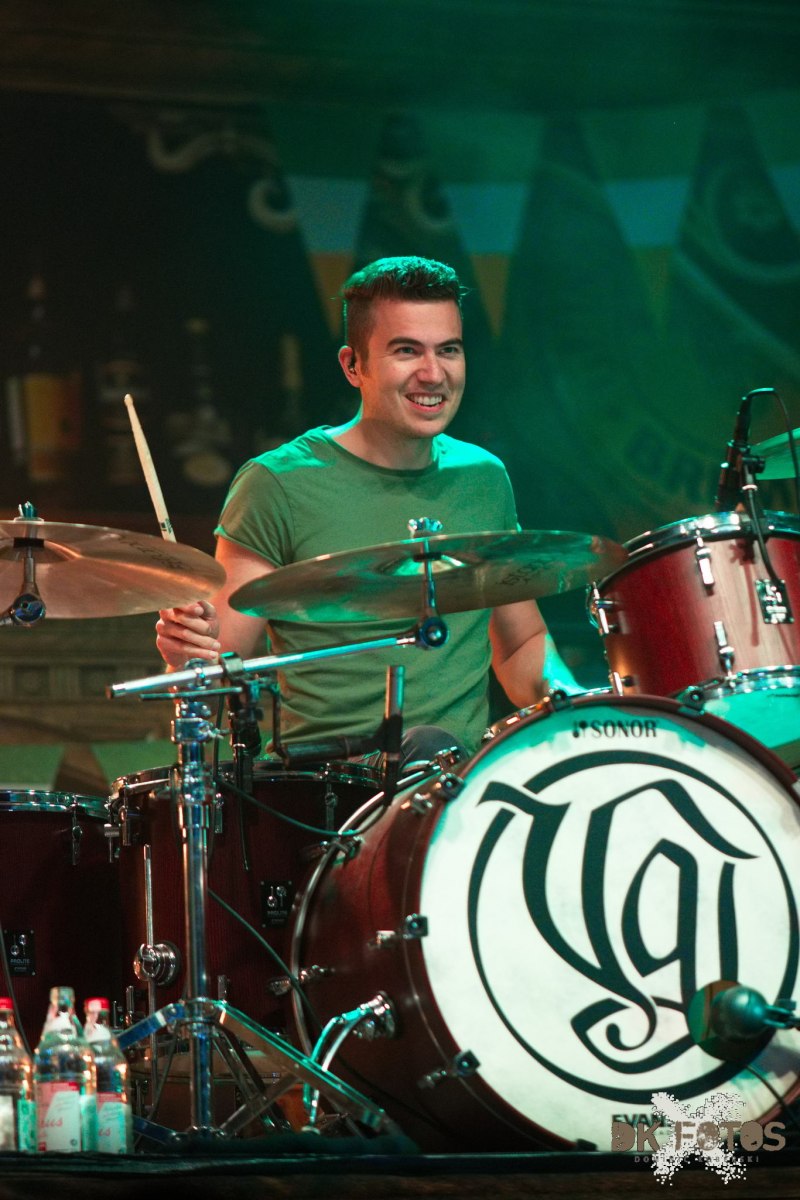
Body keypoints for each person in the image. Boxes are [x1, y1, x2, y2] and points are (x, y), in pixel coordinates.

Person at [156, 256, 579, 763]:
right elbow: (217, 678)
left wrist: (578, 705)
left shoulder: (484, 478)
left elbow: (520, 645)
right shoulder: (277, 483)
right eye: (407, 351)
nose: (433, 374)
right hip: (324, 791)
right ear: (352, 366)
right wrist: (186, 659)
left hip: (456, 788)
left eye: (448, 349)